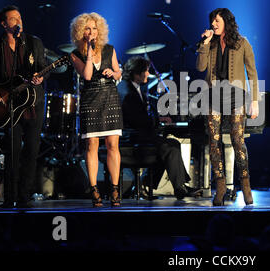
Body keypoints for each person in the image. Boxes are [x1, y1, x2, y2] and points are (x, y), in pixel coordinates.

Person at [196, 8, 260, 206]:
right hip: (214, 95)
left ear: (225, 21)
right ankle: (221, 186)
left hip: (237, 96)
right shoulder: (210, 44)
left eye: (216, 20)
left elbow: (252, 73)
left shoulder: (242, 43)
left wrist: (255, 101)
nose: (213, 24)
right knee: (213, 141)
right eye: (211, 21)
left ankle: (246, 185)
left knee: (237, 140)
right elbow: (200, 67)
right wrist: (204, 43)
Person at [0, 5, 47, 208]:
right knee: (12, 150)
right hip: (9, 106)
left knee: (31, 149)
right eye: (13, 19)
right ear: (4, 24)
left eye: (20, 17)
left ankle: (24, 196)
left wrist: (41, 77)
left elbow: (42, 67)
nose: (18, 21)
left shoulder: (34, 43)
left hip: (32, 103)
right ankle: (9, 197)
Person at [119, 56, 201, 200]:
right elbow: (136, 120)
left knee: (172, 144)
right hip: (132, 138)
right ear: (136, 73)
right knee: (170, 148)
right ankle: (179, 188)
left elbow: (139, 117)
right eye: (146, 71)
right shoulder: (128, 92)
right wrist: (157, 122)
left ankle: (152, 184)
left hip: (138, 134)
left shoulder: (132, 87)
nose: (148, 74)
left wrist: (157, 121)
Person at [70, 12, 123, 207]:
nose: (91, 32)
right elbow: (87, 75)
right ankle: (94, 190)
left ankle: (115, 189)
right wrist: (90, 51)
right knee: (92, 144)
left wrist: (114, 72)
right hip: (90, 99)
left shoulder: (110, 49)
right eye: (87, 28)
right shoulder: (75, 54)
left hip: (110, 97)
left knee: (112, 145)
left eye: (94, 28)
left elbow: (118, 72)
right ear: (80, 32)